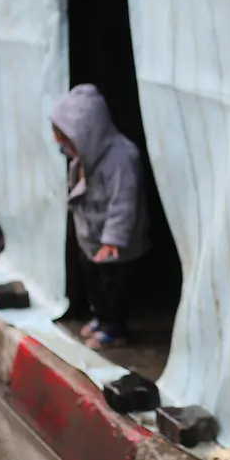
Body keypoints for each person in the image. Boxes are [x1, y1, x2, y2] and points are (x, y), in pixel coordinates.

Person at [51, 84, 149, 350]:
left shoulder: (121, 158)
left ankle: (114, 329)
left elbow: (123, 203)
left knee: (114, 287)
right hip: (92, 239)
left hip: (115, 244)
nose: (67, 149)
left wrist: (113, 239)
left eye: (69, 142)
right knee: (95, 283)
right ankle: (102, 319)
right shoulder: (84, 158)